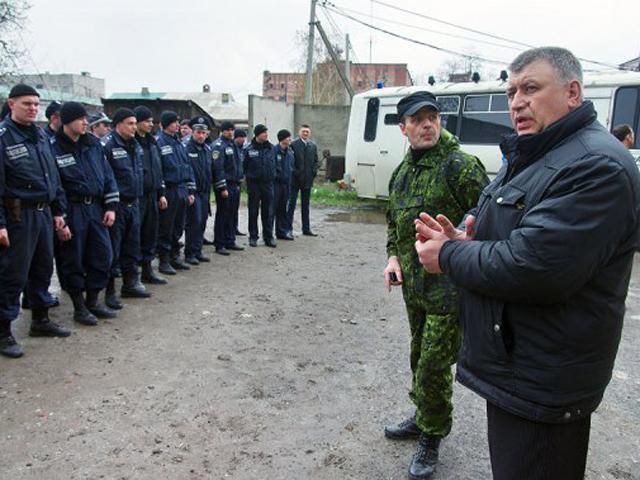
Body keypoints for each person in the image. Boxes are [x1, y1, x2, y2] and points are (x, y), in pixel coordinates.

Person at [414, 47, 640, 480]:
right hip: (520, 364)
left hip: (543, 379)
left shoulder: (594, 164)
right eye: (511, 91)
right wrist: (467, 238)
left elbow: (535, 266)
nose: (516, 101)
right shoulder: (536, 153)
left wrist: (447, 254)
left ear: (573, 92)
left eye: (531, 88)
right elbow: (517, 235)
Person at [383, 91, 488, 480]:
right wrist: (393, 257)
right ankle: (422, 414)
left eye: (433, 117)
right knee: (417, 356)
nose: (428, 124)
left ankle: (431, 435)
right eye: (418, 119)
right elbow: (393, 222)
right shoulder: (402, 172)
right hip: (415, 290)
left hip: (450, 291)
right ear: (403, 128)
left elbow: (490, 218)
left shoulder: (460, 165)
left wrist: (465, 242)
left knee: (432, 365)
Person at [0, 84, 71, 358]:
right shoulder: (4, 137)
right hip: (18, 215)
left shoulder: (41, 136)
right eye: (26, 103)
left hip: (43, 213)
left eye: (35, 104)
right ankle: (4, 332)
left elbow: (52, 177)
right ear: (11, 104)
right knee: (13, 274)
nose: (32, 108)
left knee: (42, 267)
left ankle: (40, 320)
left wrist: (58, 212)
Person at [51, 102, 119, 325]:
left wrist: (110, 206)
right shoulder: (53, 147)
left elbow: (107, 176)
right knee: (73, 260)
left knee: (103, 256)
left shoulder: (93, 145)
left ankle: (93, 301)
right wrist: (61, 216)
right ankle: (79, 307)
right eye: (81, 119)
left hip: (96, 209)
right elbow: (55, 184)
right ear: (67, 121)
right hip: (72, 209)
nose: (85, 123)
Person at [103, 108, 151, 309]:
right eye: (130, 123)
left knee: (132, 246)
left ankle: (131, 283)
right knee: (113, 250)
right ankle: (110, 291)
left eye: (134, 123)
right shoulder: (107, 145)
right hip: (117, 205)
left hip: (134, 202)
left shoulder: (136, 145)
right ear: (118, 124)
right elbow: (105, 177)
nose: (134, 127)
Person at [156, 111, 195, 272]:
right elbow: (158, 169)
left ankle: (174, 256)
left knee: (179, 225)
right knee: (167, 226)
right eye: (174, 122)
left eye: (177, 122)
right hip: (169, 190)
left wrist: (190, 189)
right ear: (166, 124)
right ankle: (164, 260)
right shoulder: (159, 142)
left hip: (181, 189)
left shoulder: (178, 142)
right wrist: (161, 193)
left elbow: (187, 166)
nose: (177, 125)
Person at [134, 106, 168, 285]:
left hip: (152, 195)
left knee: (150, 233)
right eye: (146, 121)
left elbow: (158, 169)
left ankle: (148, 271)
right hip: (137, 197)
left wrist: (161, 193)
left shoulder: (152, 143)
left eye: (151, 121)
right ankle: (133, 276)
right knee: (135, 236)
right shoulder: (132, 143)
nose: (150, 124)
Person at [211, 121, 244, 254]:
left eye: (232, 130)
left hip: (235, 184)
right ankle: (220, 243)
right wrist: (222, 187)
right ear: (222, 131)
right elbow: (218, 168)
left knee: (232, 214)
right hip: (225, 185)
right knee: (223, 214)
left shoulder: (233, 145)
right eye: (227, 130)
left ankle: (230, 240)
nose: (230, 132)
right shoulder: (219, 146)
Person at [184, 116, 213, 264]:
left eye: (203, 133)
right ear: (192, 132)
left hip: (204, 192)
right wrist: (189, 191)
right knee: (193, 222)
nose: (201, 135)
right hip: (193, 193)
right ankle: (190, 253)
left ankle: (198, 250)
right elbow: (186, 171)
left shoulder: (207, 149)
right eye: (198, 132)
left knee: (202, 221)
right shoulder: (186, 149)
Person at [243, 124, 276, 248]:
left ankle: (268, 237)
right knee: (253, 211)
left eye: (266, 133)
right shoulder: (249, 149)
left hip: (268, 183)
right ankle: (253, 236)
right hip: (254, 184)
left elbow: (275, 164)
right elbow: (244, 166)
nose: (266, 135)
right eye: (263, 133)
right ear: (257, 134)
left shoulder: (271, 148)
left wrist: (273, 175)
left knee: (268, 212)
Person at [287, 124, 319, 237]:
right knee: (291, 205)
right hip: (295, 180)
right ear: (299, 132)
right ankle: (288, 229)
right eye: (303, 131)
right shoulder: (294, 145)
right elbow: (290, 161)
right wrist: (295, 173)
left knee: (306, 206)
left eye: (307, 132)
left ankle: (306, 229)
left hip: (307, 180)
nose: (305, 133)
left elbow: (316, 161)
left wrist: (313, 172)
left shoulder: (312, 146)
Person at [273, 129, 294, 240]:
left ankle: (281, 231)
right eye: (288, 137)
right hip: (276, 184)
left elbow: (291, 167)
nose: (290, 139)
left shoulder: (290, 152)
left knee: (282, 209)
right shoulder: (274, 151)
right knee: (273, 209)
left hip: (286, 185)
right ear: (282, 139)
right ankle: (268, 234)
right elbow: (272, 168)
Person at [233, 129, 247, 237]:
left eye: (244, 137)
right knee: (228, 209)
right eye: (241, 137)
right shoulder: (232, 148)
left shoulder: (242, 149)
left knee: (235, 208)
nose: (243, 140)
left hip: (238, 181)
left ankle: (235, 227)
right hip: (230, 182)